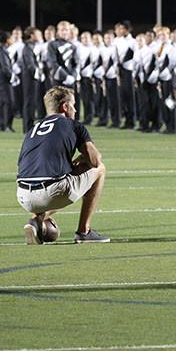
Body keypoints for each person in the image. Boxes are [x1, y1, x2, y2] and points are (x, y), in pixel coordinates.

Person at [16, 86, 109, 244]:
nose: (75, 110)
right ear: (65, 107)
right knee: (100, 169)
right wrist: (83, 158)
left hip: (23, 195)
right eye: (73, 105)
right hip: (52, 192)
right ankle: (84, 232)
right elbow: (95, 160)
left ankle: (36, 220)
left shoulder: (33, 129)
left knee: (63, 180)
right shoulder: (74, 125)